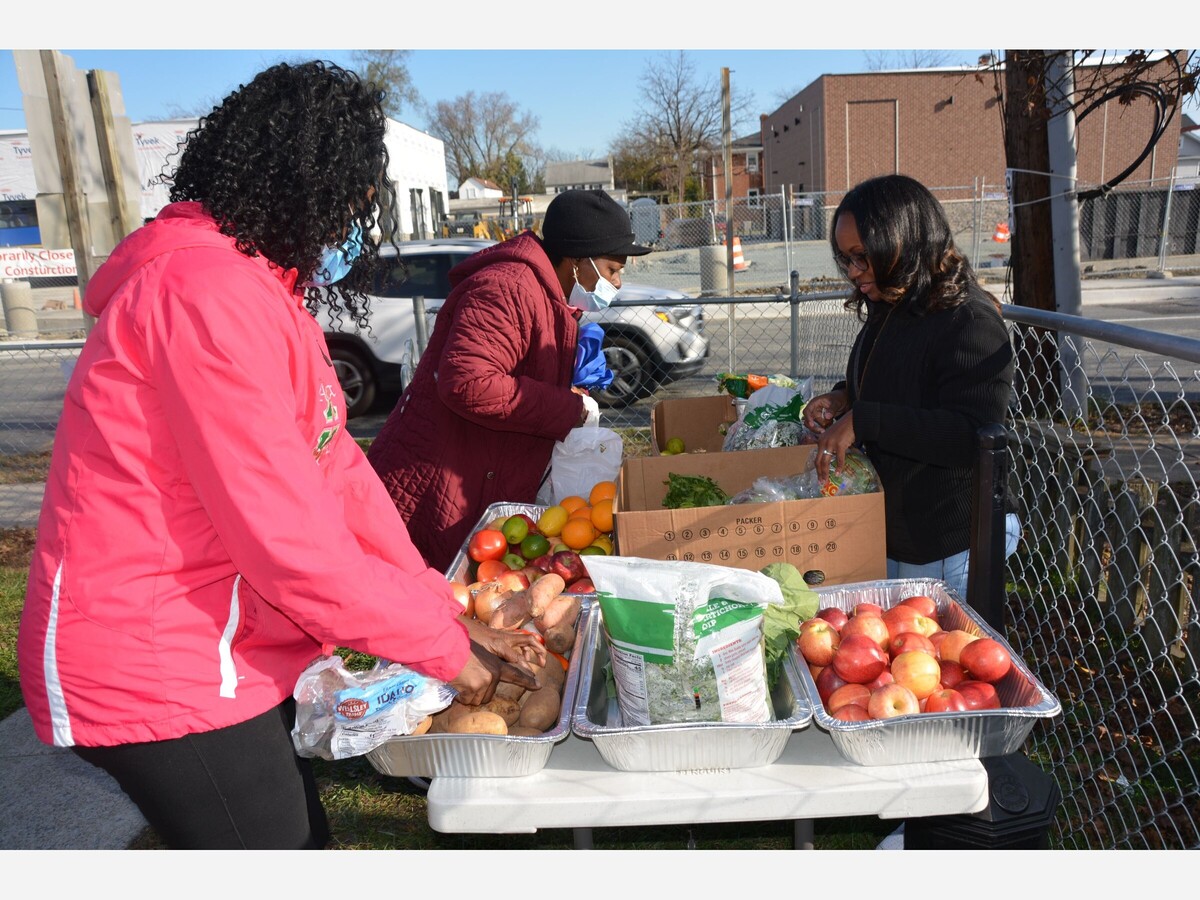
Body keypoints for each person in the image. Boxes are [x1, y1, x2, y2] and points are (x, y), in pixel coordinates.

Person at [16, 60, 539, 851]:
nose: (356, 227)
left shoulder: (260, 290)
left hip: (213, 642)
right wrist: (439, 648)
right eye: (353, 204)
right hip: (154, 657)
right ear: (305, 185)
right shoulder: (206, 294)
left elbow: (338, 479)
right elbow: (288, 541)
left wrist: (441, 612)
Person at [367, 188, 651, 572]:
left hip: (474, 475)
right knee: (424, 599)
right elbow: (469, 382)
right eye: (612, 270)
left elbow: (511, 377)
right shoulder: (509, 287)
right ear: (577, 260)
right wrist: (566, 407)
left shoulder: (550, 297)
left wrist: (565, 388)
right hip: (433, 485)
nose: (617, 284)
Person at [802, 174, 1019, 599]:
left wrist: (865, 420)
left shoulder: (970, 321)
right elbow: (897, 378)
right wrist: (844, 397)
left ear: (904, 242)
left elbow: (969, 435)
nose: (853, 272)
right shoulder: (894, 302)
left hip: (946, 540)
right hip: (897, 528)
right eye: (846, 258)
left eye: (862, 256)